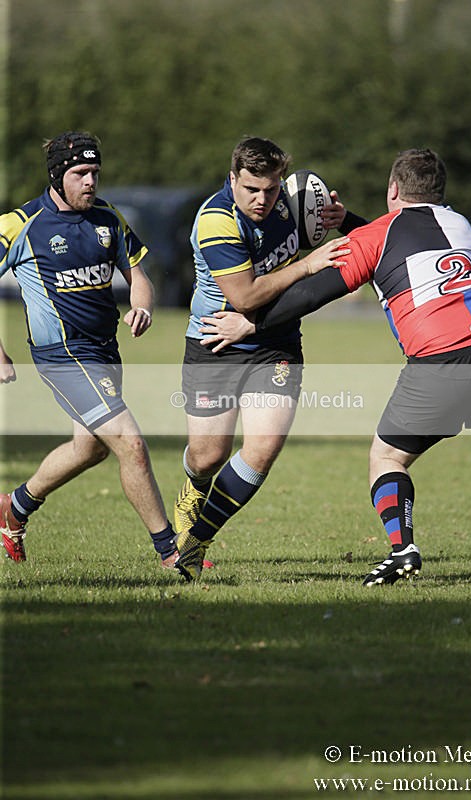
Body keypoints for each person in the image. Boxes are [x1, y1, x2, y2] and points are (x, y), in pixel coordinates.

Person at [198, 148, 471, 586]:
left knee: (388, 456)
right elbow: (400, 240)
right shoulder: (459, 224)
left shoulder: (378, 234)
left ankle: (403, 549)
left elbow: (315, 292)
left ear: (393, 189)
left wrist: (251, 321)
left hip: (439, 356)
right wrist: (349, 220)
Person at [172, 136, 356, 581]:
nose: (261, 200)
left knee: (262, 448)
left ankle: (197, 541)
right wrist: (307, 265)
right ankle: (194, 489)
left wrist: (341, 218)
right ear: (232, 178)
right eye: (251, 188)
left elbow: (344, 240)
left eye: (270, 189)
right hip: (216, 344)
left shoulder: (292, 203)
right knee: (208, 455)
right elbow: (245, 294)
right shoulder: (217, 220)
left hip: (275, 343)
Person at [0, 130, 181, 569]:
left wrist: (142, 305)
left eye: (95, 172)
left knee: (91, 447)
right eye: (80, 173)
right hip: (61, 358)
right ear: (58, 175)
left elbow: (138, 273)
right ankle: (172, 552)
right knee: (131, 444)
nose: (90, 182)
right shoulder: (21, 224)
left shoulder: (108, 218)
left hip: (103, 353)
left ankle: (15, 508)